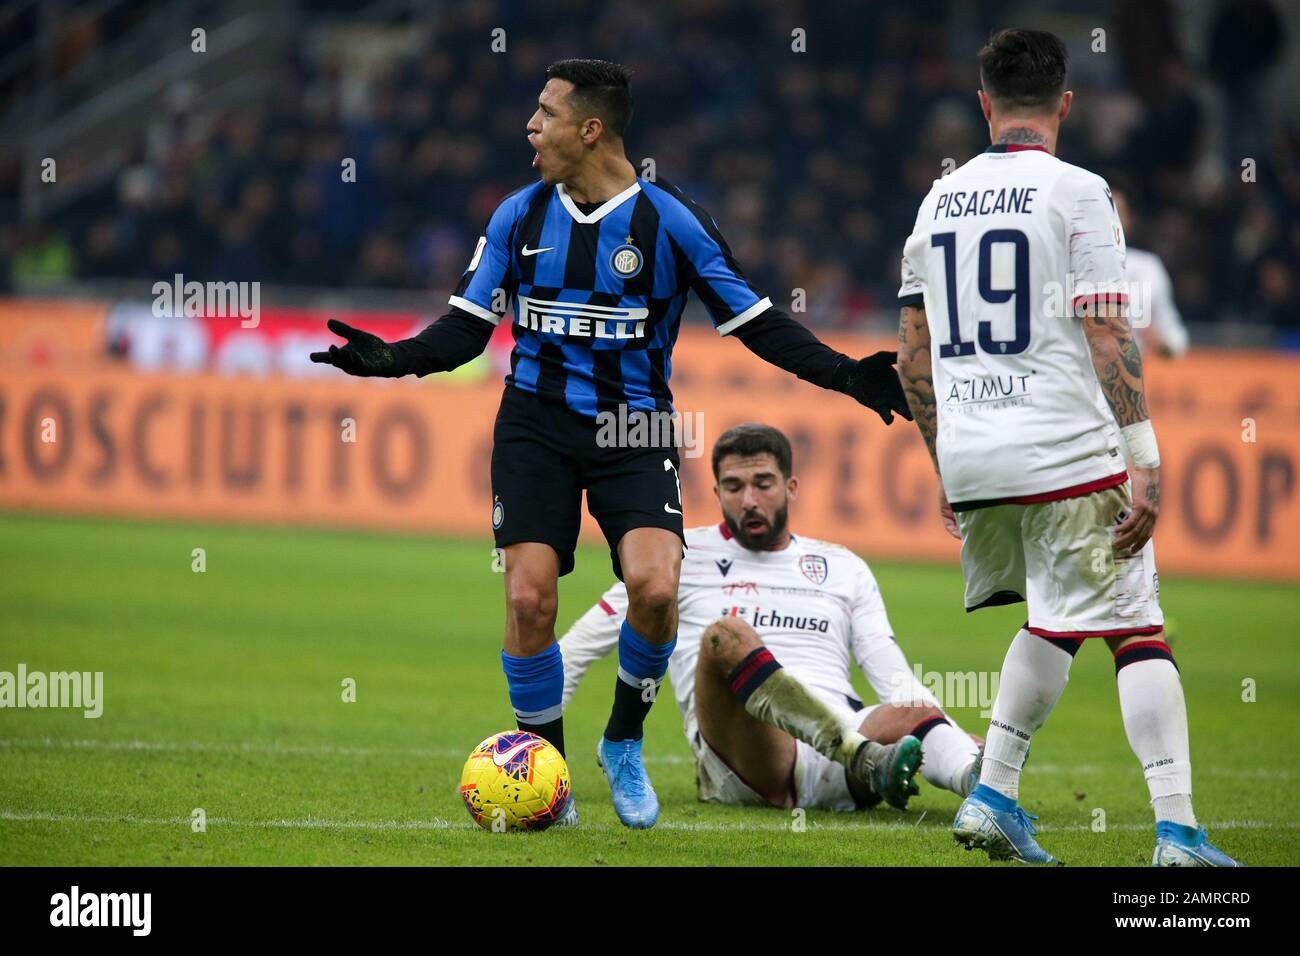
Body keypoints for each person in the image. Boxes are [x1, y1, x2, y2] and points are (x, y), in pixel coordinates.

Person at [310, 59, 911, 829]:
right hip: (535, 422)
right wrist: (392, 358)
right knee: (528, 597)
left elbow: (756, 320)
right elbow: (466, 328)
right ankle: (544, 769)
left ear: (590, 129)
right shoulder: (517, 217)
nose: (531, 128)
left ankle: (623, 738)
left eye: (545, 113)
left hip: (634, 427)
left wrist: (847, 376)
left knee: (657, 589)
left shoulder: (671, 222)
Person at [894, 29, 1240, 865]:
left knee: (1057, 616)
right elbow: (1107, 326)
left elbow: (910, 352)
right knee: (1138, 627)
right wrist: (1145, 458)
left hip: (976, 452)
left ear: (984, 104)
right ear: (1066, 103)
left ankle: (993, 796)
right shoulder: (1081, 190)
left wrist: (946, 462)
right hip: (1066, 450)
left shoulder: (937, 199)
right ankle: (1178, 833)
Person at [560, 424, 982, 813]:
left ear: (791, 487)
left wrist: (950, 731)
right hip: (750, 757)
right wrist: (536, 742)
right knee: (726, 636)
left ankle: (982, 784)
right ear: (717, 491)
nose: (749, 500)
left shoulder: (842, 565)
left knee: (910, 711)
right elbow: (579, 647)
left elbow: (890, 670)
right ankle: (862, 755)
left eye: (763, 484)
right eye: (734, 487)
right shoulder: (678, 556)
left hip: (849, 744)